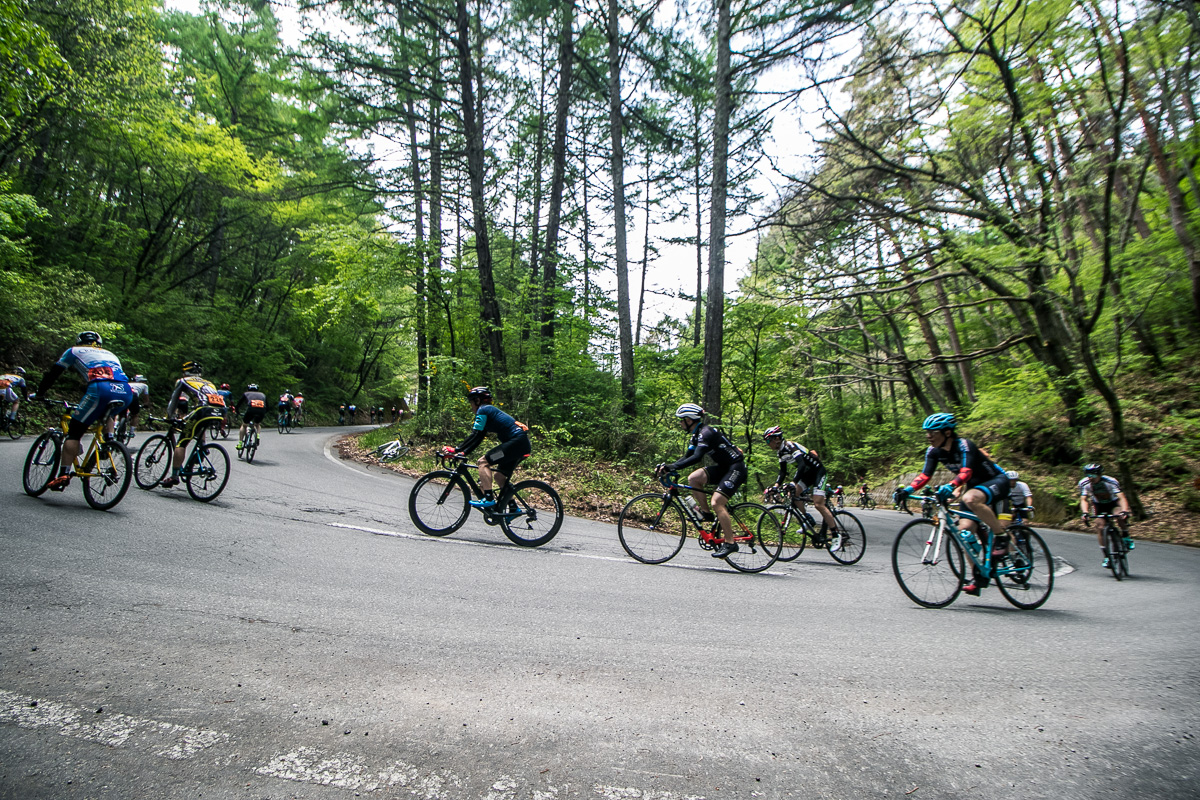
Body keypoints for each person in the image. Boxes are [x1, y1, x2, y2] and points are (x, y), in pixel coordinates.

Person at [894, 413, 1010, 596]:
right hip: (974, 486)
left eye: (933, 432)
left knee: (970, 498)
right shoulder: (933, 451)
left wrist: (951, 485)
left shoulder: (964, 445)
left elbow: (966, 471)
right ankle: (979, 576)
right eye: (927, 432)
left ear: (947, 432)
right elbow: (925, 476)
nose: (928, 436)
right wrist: (907, 491)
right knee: (964, 534)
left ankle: (1002, 537)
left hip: (996, 480)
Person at [31, 332, 133, 491]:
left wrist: (40, 393)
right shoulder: (110, 353)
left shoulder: (74, 351)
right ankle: (108, 442)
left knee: (74, 432)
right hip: (126, 391)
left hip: (100, 389)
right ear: (98, 343)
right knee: (108, 412)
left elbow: (53, 373)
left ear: (79, 342)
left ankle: (63, 474)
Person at [654, 403, 746, 559]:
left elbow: (697, 458)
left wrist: (671, 467)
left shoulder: (706, 433)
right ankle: (707, 514)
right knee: (693, 478)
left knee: (717, 502)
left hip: (736, 468)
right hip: (724, 467)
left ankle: (730, 542)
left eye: (682, 420)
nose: (680, 423)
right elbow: (687, 456)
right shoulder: (696, 435)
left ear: (690, 419)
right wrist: (669, 467)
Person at [448, 386, 531, 509]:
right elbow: (479, 437)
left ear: (477, 401)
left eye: (471, 403)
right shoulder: (488, 412)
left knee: (483, 462)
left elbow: (475, 434)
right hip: (519, 445)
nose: (471, 407)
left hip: (516, 444)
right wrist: (463, 452)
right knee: (499, 476)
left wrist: (457, 450)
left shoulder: (483, 410)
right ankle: (513, 507)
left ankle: (488, 498)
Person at [761, 425, 837, 532]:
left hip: (818, 471)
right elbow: (783, 471)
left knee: (818, 504)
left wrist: (793, 482)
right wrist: (775, 486)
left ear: (777, 438)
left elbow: (801, 465)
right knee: (792, 494)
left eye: (768, 440)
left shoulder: (790, 446)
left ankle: (835, 534)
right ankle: (807, 519)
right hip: (807, 475)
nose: (767, 444)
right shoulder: (780, 452)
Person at [162, 361, 225, 488]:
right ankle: (202, 448)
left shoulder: (183, 381)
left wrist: (169, 417)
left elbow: (174, 400)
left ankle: (174, 476)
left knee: (182, 442)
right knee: (198, 425)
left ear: (185, 371)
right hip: (220, 411)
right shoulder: (209, 382)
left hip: (203, 410)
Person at [1078, 463, 1133, 568]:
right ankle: (1107, 556)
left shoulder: (1111, 481)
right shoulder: (1084, 483)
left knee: (1119, 516)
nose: (1090, 478)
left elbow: (1121, 497)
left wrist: (1125, 511)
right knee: (1100, 526)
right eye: (1088, 475)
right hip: (1099, 505)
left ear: (1099, 475)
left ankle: (1126, 536)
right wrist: (1085, 513)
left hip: (1113, 503)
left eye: (1093, 475)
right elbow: (1084, 499)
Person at [234, 383, 268, 450]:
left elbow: (239, 404)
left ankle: (240, 444)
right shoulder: (263, 394)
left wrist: (237, 411)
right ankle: (257, 436)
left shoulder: (246, 393)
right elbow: (268, 406)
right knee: (257, 424)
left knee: (244, 425)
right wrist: (263, 413)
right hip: (261, 410)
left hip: (251, 410)